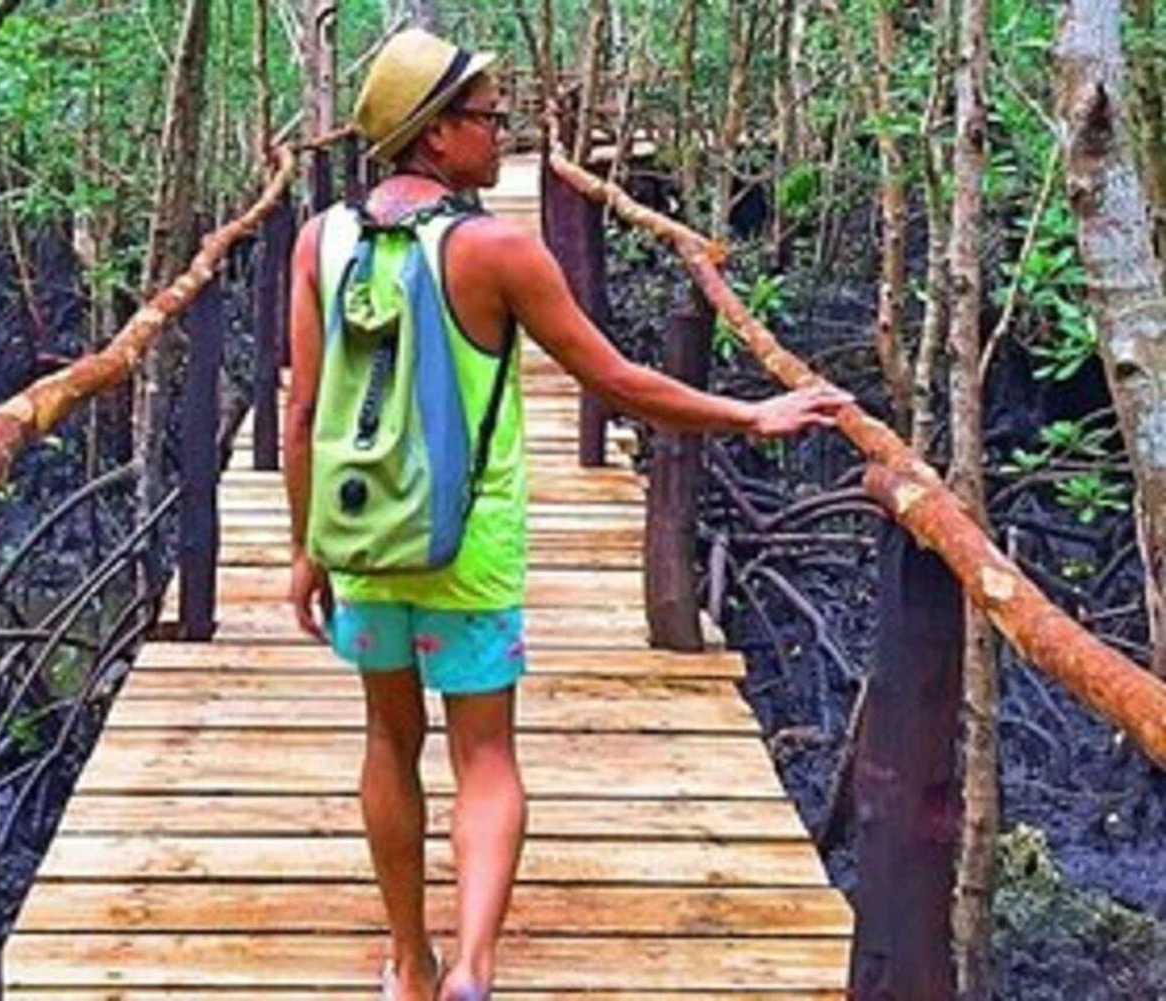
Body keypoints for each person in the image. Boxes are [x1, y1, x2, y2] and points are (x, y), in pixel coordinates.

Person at [282, 28, 851, 1001]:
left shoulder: (319, 240)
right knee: (485, 753)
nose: (501, 133)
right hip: (468, 547)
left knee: (387, 739)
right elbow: (614, 379)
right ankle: (473, 967)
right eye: (486, 116)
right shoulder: (497, 248)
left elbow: (301, 409)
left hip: (363, 537)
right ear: (432, 134)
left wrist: (307, 549)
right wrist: (751, 413)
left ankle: (411, 964)